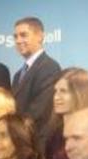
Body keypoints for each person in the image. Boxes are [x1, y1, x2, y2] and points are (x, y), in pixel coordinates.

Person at [11, 17, 61, 147]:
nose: (18, 40)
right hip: (20, 143)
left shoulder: (49, 67)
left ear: (40, 36)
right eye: (15, 36)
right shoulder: (17, 75)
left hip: (37, 144)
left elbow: (38, 111)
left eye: (23, 35)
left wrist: (12, 131)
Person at [47, 67, 88, 159]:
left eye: (63, 91)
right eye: (55, 91)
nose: (56, 97)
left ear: (80, 94)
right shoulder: (55, 134)